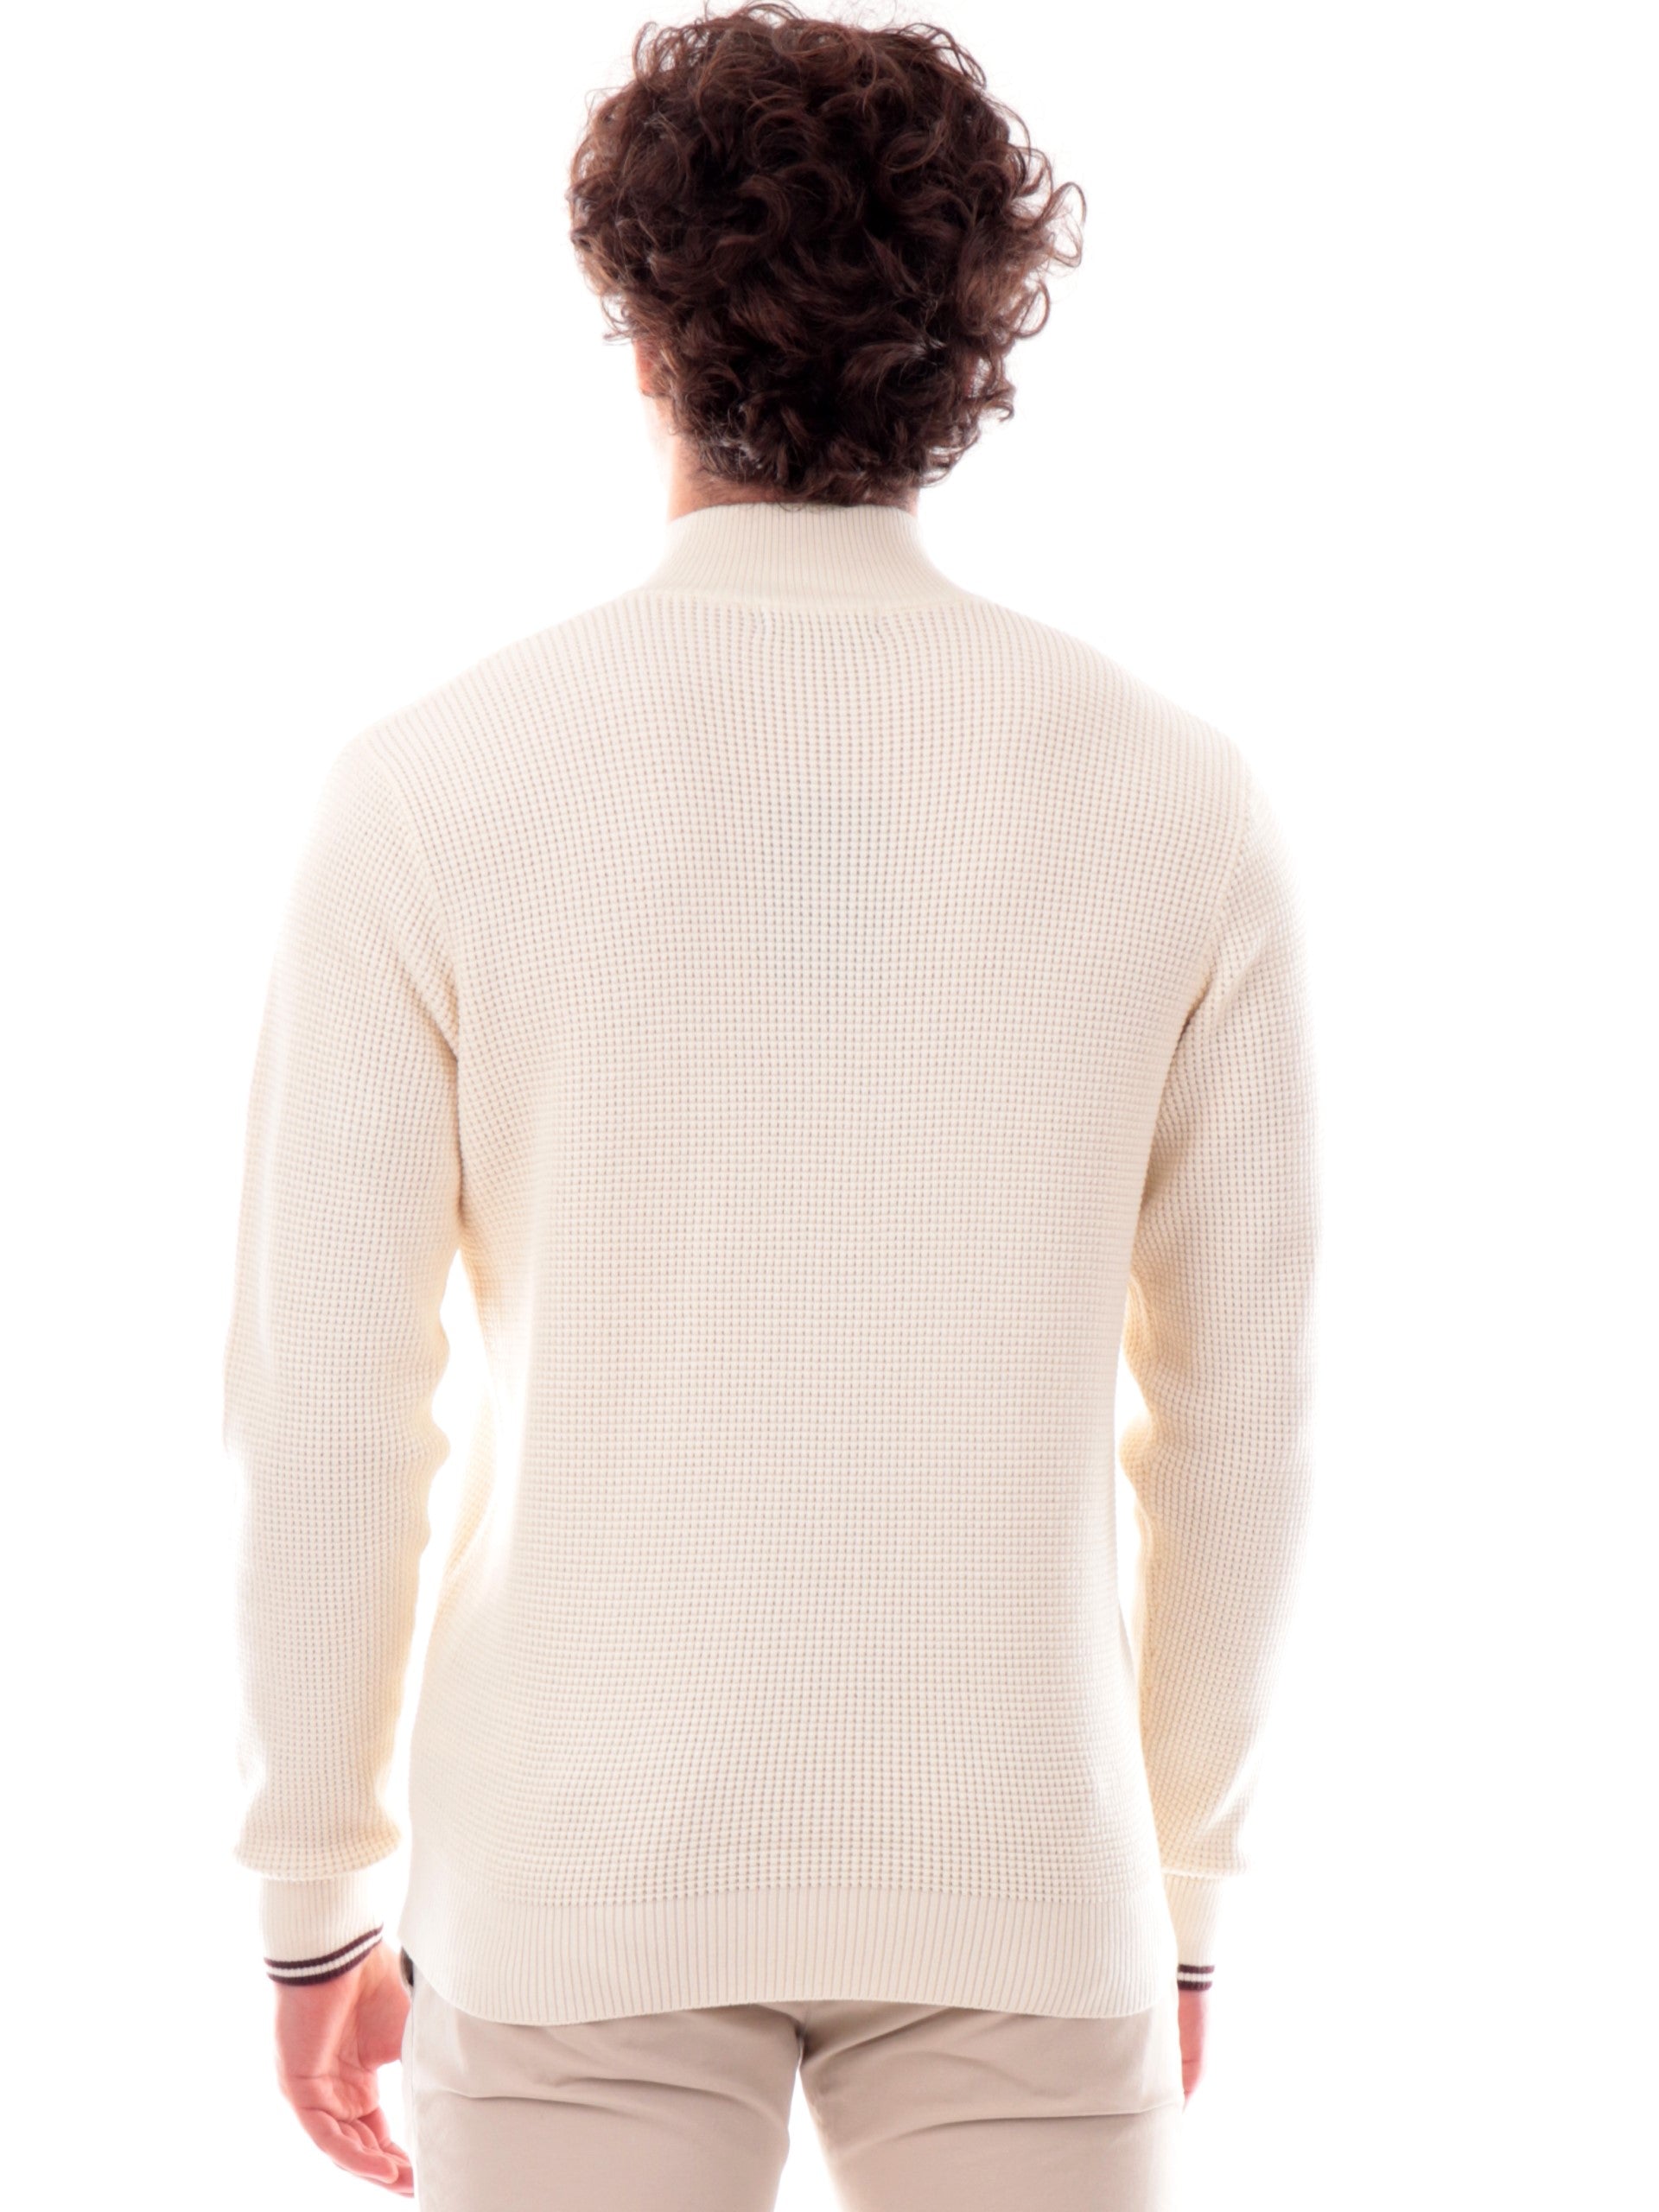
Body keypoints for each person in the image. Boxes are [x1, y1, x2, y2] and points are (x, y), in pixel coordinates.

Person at [223, 6, 1320, 2206]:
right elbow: (1240, 1415)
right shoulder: (1177, 798)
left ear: (639, 328)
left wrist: (317, 1891)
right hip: (1020, 1859)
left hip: (578, 1863)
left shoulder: (435, 787)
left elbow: (331, 1403)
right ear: (972, 345)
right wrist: (1183, 1884)